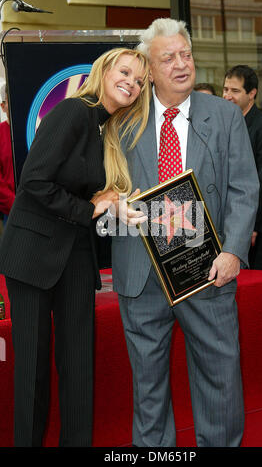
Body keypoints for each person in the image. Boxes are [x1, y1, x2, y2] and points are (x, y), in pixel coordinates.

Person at [112, 18, 259, 447]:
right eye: (168, 58)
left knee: (220, 381)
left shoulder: (226, 116)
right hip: (141, 274)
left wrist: (232, 251)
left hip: (208, 270)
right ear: (149, 69)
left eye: (186, 55)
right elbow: (103, 188)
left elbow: (245, 189)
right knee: (149, 390)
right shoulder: (121, 121)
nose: (181, 64)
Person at [0, 47, 150, 447]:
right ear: (103, 70)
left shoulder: (107, 128)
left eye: (139, 81)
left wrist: (113, 205)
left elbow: (90, 193)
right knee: (32, 371)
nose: (131, 84)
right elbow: (34, 184)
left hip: (75, 258)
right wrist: (90, 208)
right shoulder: (71, 112)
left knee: (79, 367)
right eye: (125, 72)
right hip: (33, 255)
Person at [223, 65, 262, 271]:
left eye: (235, 91)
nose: (227, 96)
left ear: (252, 94)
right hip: (232, 228)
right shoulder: (225, 125)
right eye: (225, 89)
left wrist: (253, 226)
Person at [0, 84, 15, 226]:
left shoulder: (35, 130)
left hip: (43, 209)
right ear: (3, 106)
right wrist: (15, 204)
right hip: (12, 212)